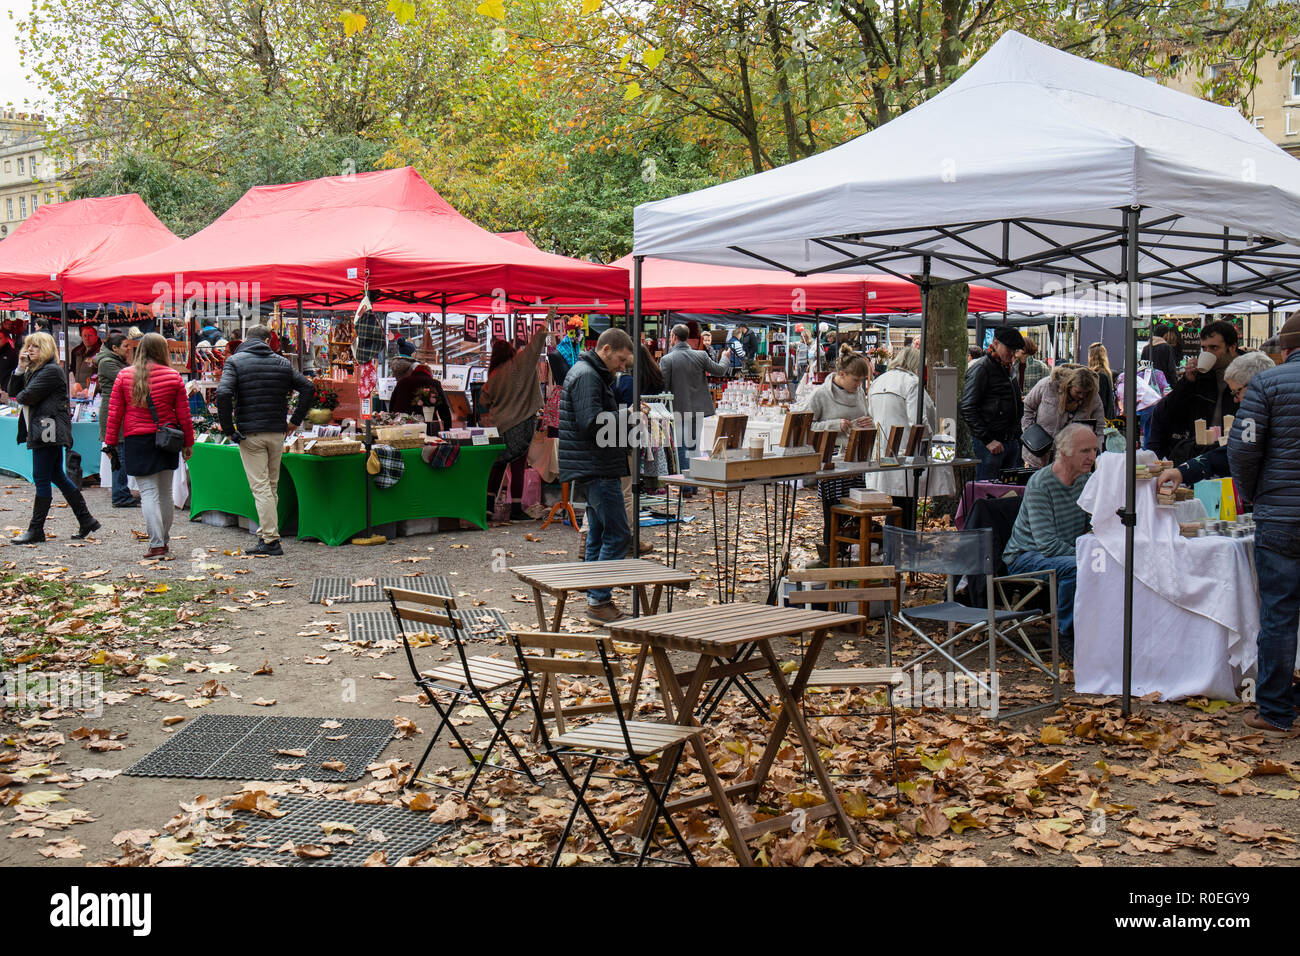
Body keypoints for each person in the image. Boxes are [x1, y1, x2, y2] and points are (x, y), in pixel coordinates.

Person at [1227, 314, 1300, 734]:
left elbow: (1243, 448)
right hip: (1279, 510)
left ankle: (1275, 710)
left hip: (1281, 516)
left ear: (1286, 349)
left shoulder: (1267, 385)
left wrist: (1254, 493)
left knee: (1278, 614)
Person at [1002, 422, 1098, 663]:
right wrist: (1087, 554)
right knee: (1079, 566)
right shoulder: (1041, 484)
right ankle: (1063, 633)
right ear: (1064, 451)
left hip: (1064, 553)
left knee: (1106, 561)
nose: (1092, 457)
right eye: (1085, 451)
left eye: (1094, 450)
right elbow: (1047, 545)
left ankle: (1097, 633)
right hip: (1025, 556)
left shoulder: (1086, 481)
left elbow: (1092, 528)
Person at [215, 324, 315, 556]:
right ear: (269, 341)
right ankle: (266, 535)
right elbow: (308, 388)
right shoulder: (281, 363)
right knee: (270, 486)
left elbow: (222, 393)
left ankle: (270, 540)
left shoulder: (235, 362)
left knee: (261, 487)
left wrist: (229, 429)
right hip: (277, 431)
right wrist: (295, 420)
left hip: (251, 432)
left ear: (246, 339)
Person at [558, 328, 635, 624]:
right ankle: (598, 601)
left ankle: (595, 596)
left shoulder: (585, 372)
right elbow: (591, 423)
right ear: (605, 350)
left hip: (592, 465)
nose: (622, 368)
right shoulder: (588, 375)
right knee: (618, 534)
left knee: (600, 533)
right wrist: (627, 418)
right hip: (596, 466)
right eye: (620, 360)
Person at [103, 334, 194, 557]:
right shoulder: (173, 376)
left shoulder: (124, 376)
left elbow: (115, 414)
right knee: (165, 493)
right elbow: (184, 414)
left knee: (149, 493)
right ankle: (163, 539)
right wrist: (188, 443)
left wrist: (110, 443)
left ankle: (156, 543)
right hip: (167, 439)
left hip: (137, 439)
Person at [8, 332, 101, 543]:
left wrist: (23, 388)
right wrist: (21, 367)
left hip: (47, 430)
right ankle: (86, 520)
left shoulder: (50, 371)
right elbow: (14, 390)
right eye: (28, 346)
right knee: (57, 476)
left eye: (35, 347)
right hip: (45, 428)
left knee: (41, 477)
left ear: (46, 349)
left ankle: (36, 530)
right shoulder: (36, 370)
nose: (29, 350)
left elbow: (24, 396)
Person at [1158, 351, 1277, 492]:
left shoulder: (1255, 418)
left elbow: (1238, 455)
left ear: (1254, 385)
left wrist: (1185, 471)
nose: (1235, 399)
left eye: (1236, 392)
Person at [797, 345, 873, 563]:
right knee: (834, 512)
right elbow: (804, 425)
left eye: (861, 382)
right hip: (831, 461)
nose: (859, 385)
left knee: (854, 512)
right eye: (855, 380)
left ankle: (850, 555)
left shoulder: (858, 392)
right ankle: (832, 555)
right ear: (841, 375)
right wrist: (834, 425)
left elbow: (863, 415)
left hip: (856, 459)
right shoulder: (821, 395)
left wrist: (865, 423)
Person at [864, 346, 955, 508]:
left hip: (884, 450)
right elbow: (918, 422)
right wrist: (933, 441)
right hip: (907, 451)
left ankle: (896, 532)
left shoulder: (878, 382)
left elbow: (872, 414)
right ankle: (900, 533)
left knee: (899, 504)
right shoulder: (912, 383)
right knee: (905, 505)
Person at [1148, 320, 1241, 462]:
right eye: (1204, 348)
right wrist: (1187, 381)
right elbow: (1168, 411)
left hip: (1234, 452)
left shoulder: (1246, 374)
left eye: (1214, 347)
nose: (1207, 353)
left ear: (1232, 347)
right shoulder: (1199, 378)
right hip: (1202, 453)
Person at [481, 328, 548, 522]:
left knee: (498, 465)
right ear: (510, 352)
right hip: (521, 424)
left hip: (499, 427)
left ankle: (488, 506)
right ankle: (517, 509)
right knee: (518, 467)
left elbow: (484, 402)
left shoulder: (492, 377)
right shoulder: (518, 365)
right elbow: (534, 347)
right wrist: (545, 323)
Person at [660, 323, 733, 497]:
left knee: (682, 447)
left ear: (674, 337)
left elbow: (664, 387)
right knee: (694, 446)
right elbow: (721, 370)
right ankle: (693, 485)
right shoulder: (700, 355)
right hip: (698, 409)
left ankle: (687, 486)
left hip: (677, 409)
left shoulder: (667, 359)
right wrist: (725, 356)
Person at [960, 326, 1026, 480]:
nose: (1012, 353)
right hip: (991, 444)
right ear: (995, 343)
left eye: (1014, 350)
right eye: (1009, 348)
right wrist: (987, 439)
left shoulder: (1008, 368)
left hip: (1009, 440)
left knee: (1007, 492)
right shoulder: (982, 368)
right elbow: (967, 407)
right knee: (987, 491)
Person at [1020, 365, 1105, 469]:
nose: (1082, 396)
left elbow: (1100, 427)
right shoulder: (1048, 385)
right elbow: (1027, 406)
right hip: (1038, 456)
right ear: (1068, 385)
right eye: (1078, 392)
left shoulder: (1093, 396)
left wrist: (1096, 451)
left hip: (1071, 461)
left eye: (1086, 393)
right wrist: (1029, 432)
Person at [95, 332, 136, 508]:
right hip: (113, 413)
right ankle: (120, 494)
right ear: (114, 348)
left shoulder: (116, 361)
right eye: (126, 346)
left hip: (120, 411)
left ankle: (122, 492)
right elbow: (131, 379)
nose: (129, 349)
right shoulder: (107, 363)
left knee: (122, 452)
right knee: (119, 452)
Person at [388, 358, 451, 426]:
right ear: (429, 373)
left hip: (401, 423)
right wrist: (447, 429)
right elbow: (444, 410)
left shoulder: (402, 382)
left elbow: (392, 405)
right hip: (425, 425)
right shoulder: (434, 383)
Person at [1088, 342, 1116, 420]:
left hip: (1101, 419)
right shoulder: (1106, 373)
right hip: (1107, 418)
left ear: (1091, 357)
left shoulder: (1099, 375)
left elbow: (1101, 401)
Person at [69, 324, 101, 390]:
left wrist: (93, 389)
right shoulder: (78, 353)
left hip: (93, 392)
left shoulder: (100, 353)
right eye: (84, 335)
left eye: (90, 335)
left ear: (96, 337)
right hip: (79, 391)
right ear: (81, 337)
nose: (87, 338)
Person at [0, 328, 17, 400]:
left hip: (6, 390)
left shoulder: (12, 353)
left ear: (6, 339)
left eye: (0, 338)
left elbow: (15, 373)